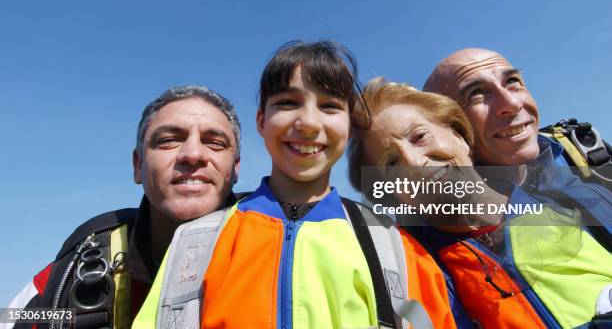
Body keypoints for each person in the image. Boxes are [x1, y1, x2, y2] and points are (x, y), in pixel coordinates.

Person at [133, 41, 461, 329]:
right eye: (288, 103)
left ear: (349, 128)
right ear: (261, 121)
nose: (307, 123)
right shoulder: (194, 244)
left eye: (330, 106)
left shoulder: (396, 250)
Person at [347, 77, 612, 329]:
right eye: (392, 164)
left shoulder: (581, 203)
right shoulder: (418, 274)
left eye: (419, 136)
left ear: (460, 136)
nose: (415, 162)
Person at [6, 86, 241, 328]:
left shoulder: (276, 251)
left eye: (214, 143)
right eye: (169, 141)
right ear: (138, 165)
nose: (193, 154)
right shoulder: (84, 260)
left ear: (235, 168)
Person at [423, 47, 611, 246]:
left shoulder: (583, 152)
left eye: (512, 82)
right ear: (449, 130)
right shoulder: (449, 232)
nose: (512, 103)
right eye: (476, 94)